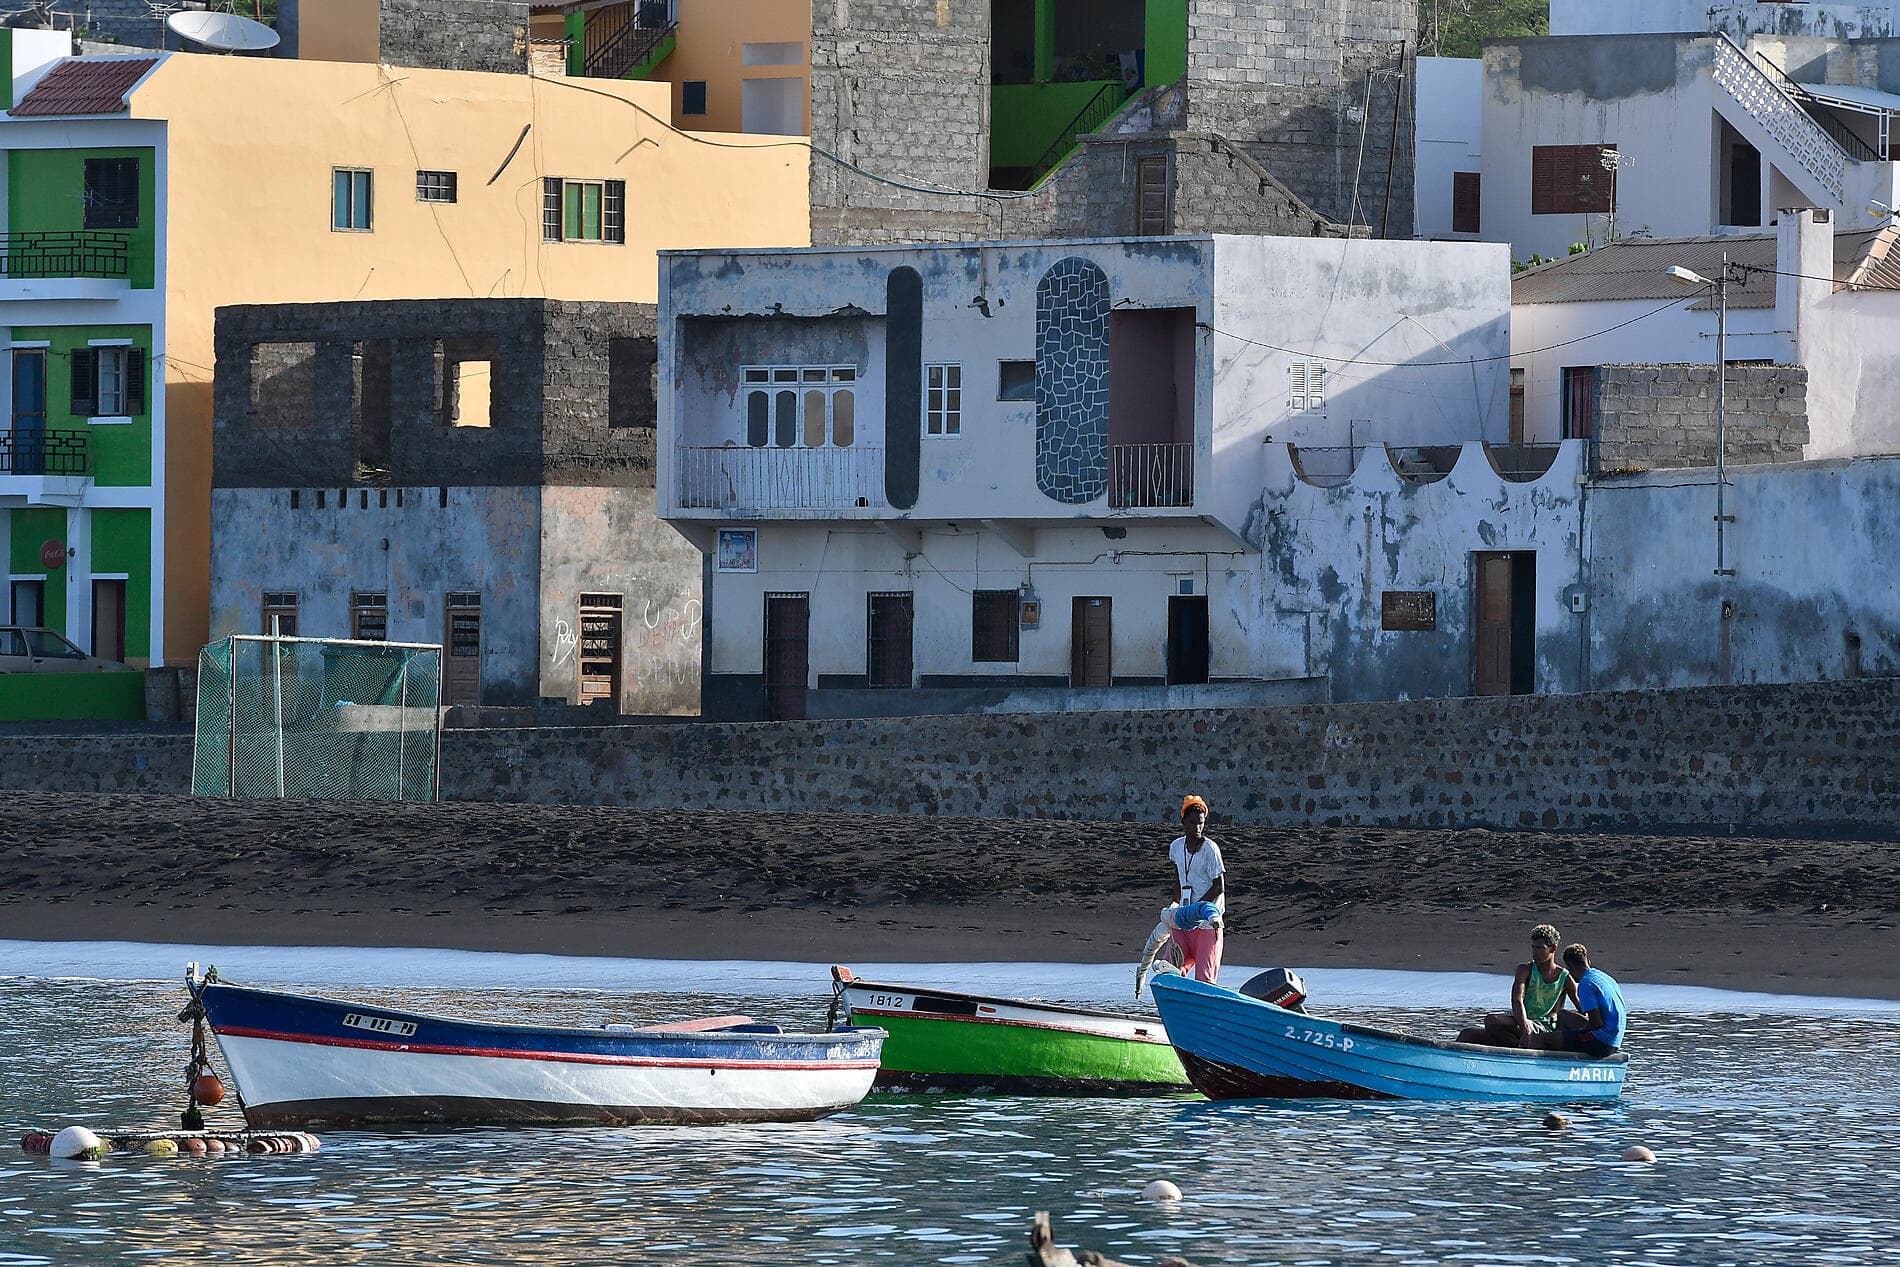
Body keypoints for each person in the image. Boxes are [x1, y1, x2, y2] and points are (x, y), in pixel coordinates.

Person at [1456, 924, 1578, 1048]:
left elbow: (1583, 1008)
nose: (1534, 952)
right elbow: (1517, 999)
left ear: (1553, 948)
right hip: (1522, 1022)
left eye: (1540, 948)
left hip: (1543, 1027)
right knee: (1471, 1032)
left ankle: (1525, 1046)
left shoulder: (1565, 977)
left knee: (1492, 1023)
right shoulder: (1525, 969)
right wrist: (1524, 1025)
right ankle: (1518, 1045)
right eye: (1533, 947)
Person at [1166, 795, 1225, 983]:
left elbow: (1219, 886)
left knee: (1204, 980)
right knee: (1170, 970)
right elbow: (1178, 879)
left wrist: (1197, 910)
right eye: (1192, 823)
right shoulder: (1176, 847)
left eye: (1201, 823)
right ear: (1183, 821)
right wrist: (1174, 908)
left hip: (1207, 924)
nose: (1197, 828)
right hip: (1183, 920)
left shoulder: (1210, 850)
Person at [1533, 943, 1626, 1059]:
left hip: (1602, 1042)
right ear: (1588, 961)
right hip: (1616, 1040)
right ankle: (1563, 1045)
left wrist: (1578, 1032)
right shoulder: (1605, 977)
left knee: (1539, 1039)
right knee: (1563, 1015)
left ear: (1570, 968)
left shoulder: (1586, 984)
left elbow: (1596, 1024)